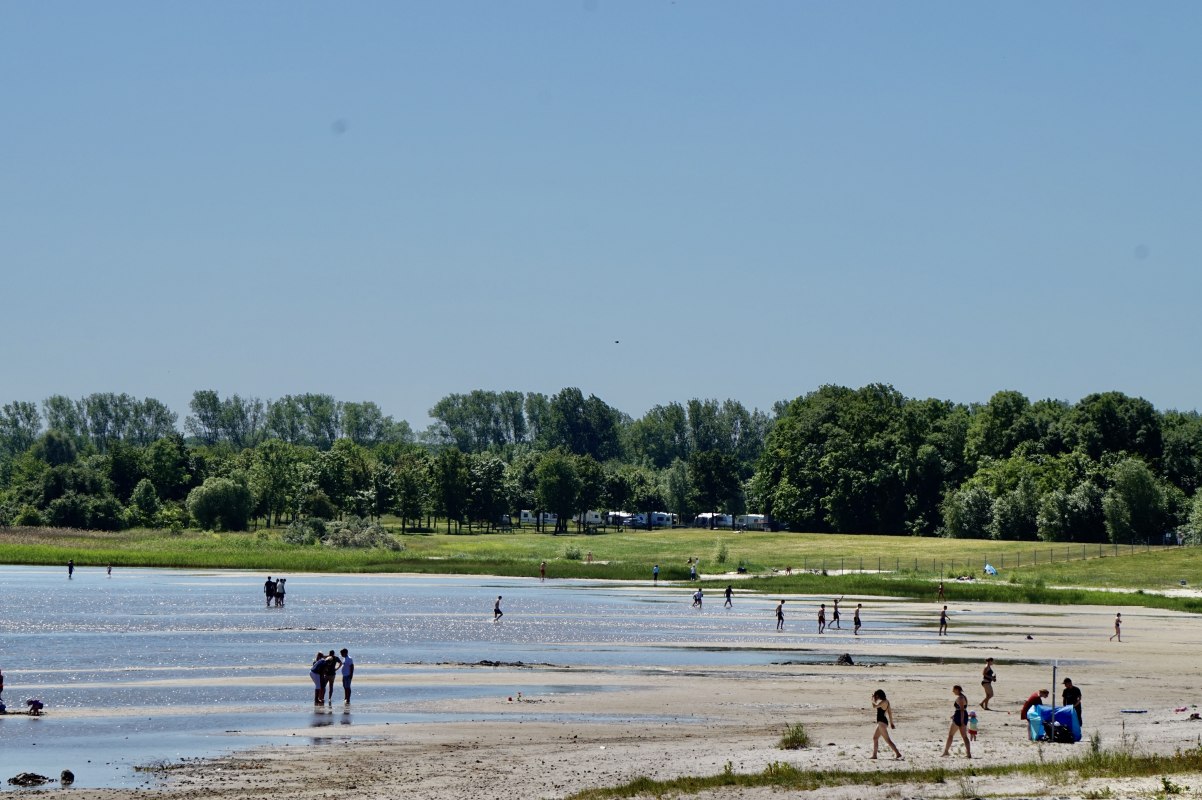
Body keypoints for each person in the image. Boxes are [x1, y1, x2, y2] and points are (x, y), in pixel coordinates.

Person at [870, 689, 903, 760]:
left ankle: (898, 754)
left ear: (879, 695)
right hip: (882, 722)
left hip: (882, 723)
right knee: (875, 738)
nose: (876, 697)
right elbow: (890, 713)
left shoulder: (883, 702)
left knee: (888, 740)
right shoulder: (887, 701)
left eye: (876, 695)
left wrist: (872, 699)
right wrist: (891, 723)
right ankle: (874, 755)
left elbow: (874, 706)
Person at [942, 685, 972, 758]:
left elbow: (961, 710)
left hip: (960, 717)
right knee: (964, 736)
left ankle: (946, 752)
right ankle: (968, 754)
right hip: (961, 715)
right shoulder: (963, 697)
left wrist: (961, 722)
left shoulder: (960, 698)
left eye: (954, 690)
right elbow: (961, 709)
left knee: (951, 735)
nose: (953, 691)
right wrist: (954, 715)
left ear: (957, 690)